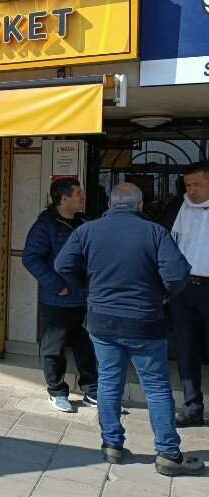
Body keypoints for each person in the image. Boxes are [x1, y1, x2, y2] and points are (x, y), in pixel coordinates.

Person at [55, 182, 203, 476]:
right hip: (144, 321)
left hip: (102, 320)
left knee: (109, 381)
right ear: (140, 205)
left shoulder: (86, 231)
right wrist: (161, 295)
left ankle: (112, 445)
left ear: (109, 205)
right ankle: (168, 454)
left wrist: (89, 287)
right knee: (157, 387)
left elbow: (63, 265)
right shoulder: (154, 232)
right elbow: (177, 273)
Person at [22, 178, 98, 412]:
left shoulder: (84, 222)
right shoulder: (45, 225)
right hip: (59, 299)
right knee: (53, 348)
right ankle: (57, 391)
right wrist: (57, 286)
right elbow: (30, 258)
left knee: (86, 347)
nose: (82, 196)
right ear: (64, 199)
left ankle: (92, 391)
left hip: (84, 298)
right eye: (78, 193)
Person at [166, 161, 209, 427]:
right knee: (186, 348)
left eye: (197, 185)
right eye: (188, 185)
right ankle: (193, 407)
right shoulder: (176, 209)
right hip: (183, 289)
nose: (191, 191)